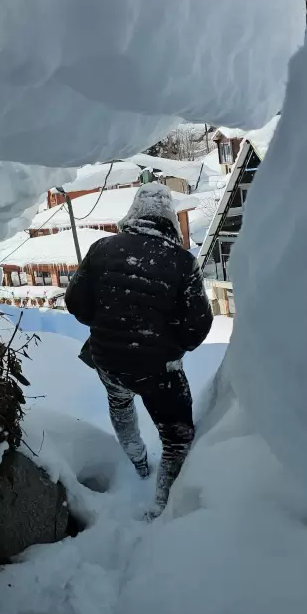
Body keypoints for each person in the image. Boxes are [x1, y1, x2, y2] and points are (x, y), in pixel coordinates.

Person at [64, 183, 213, 517]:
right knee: (177, 436)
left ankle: (138, 462)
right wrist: (167, 343)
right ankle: (163, 505)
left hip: (107, 358)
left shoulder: (101, 249)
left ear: (133, 213)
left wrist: (105, 322)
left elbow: (75, 303)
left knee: (119, 404)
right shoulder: (182, 262)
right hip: (158, 369)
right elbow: (197, 329)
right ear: (170, 221)